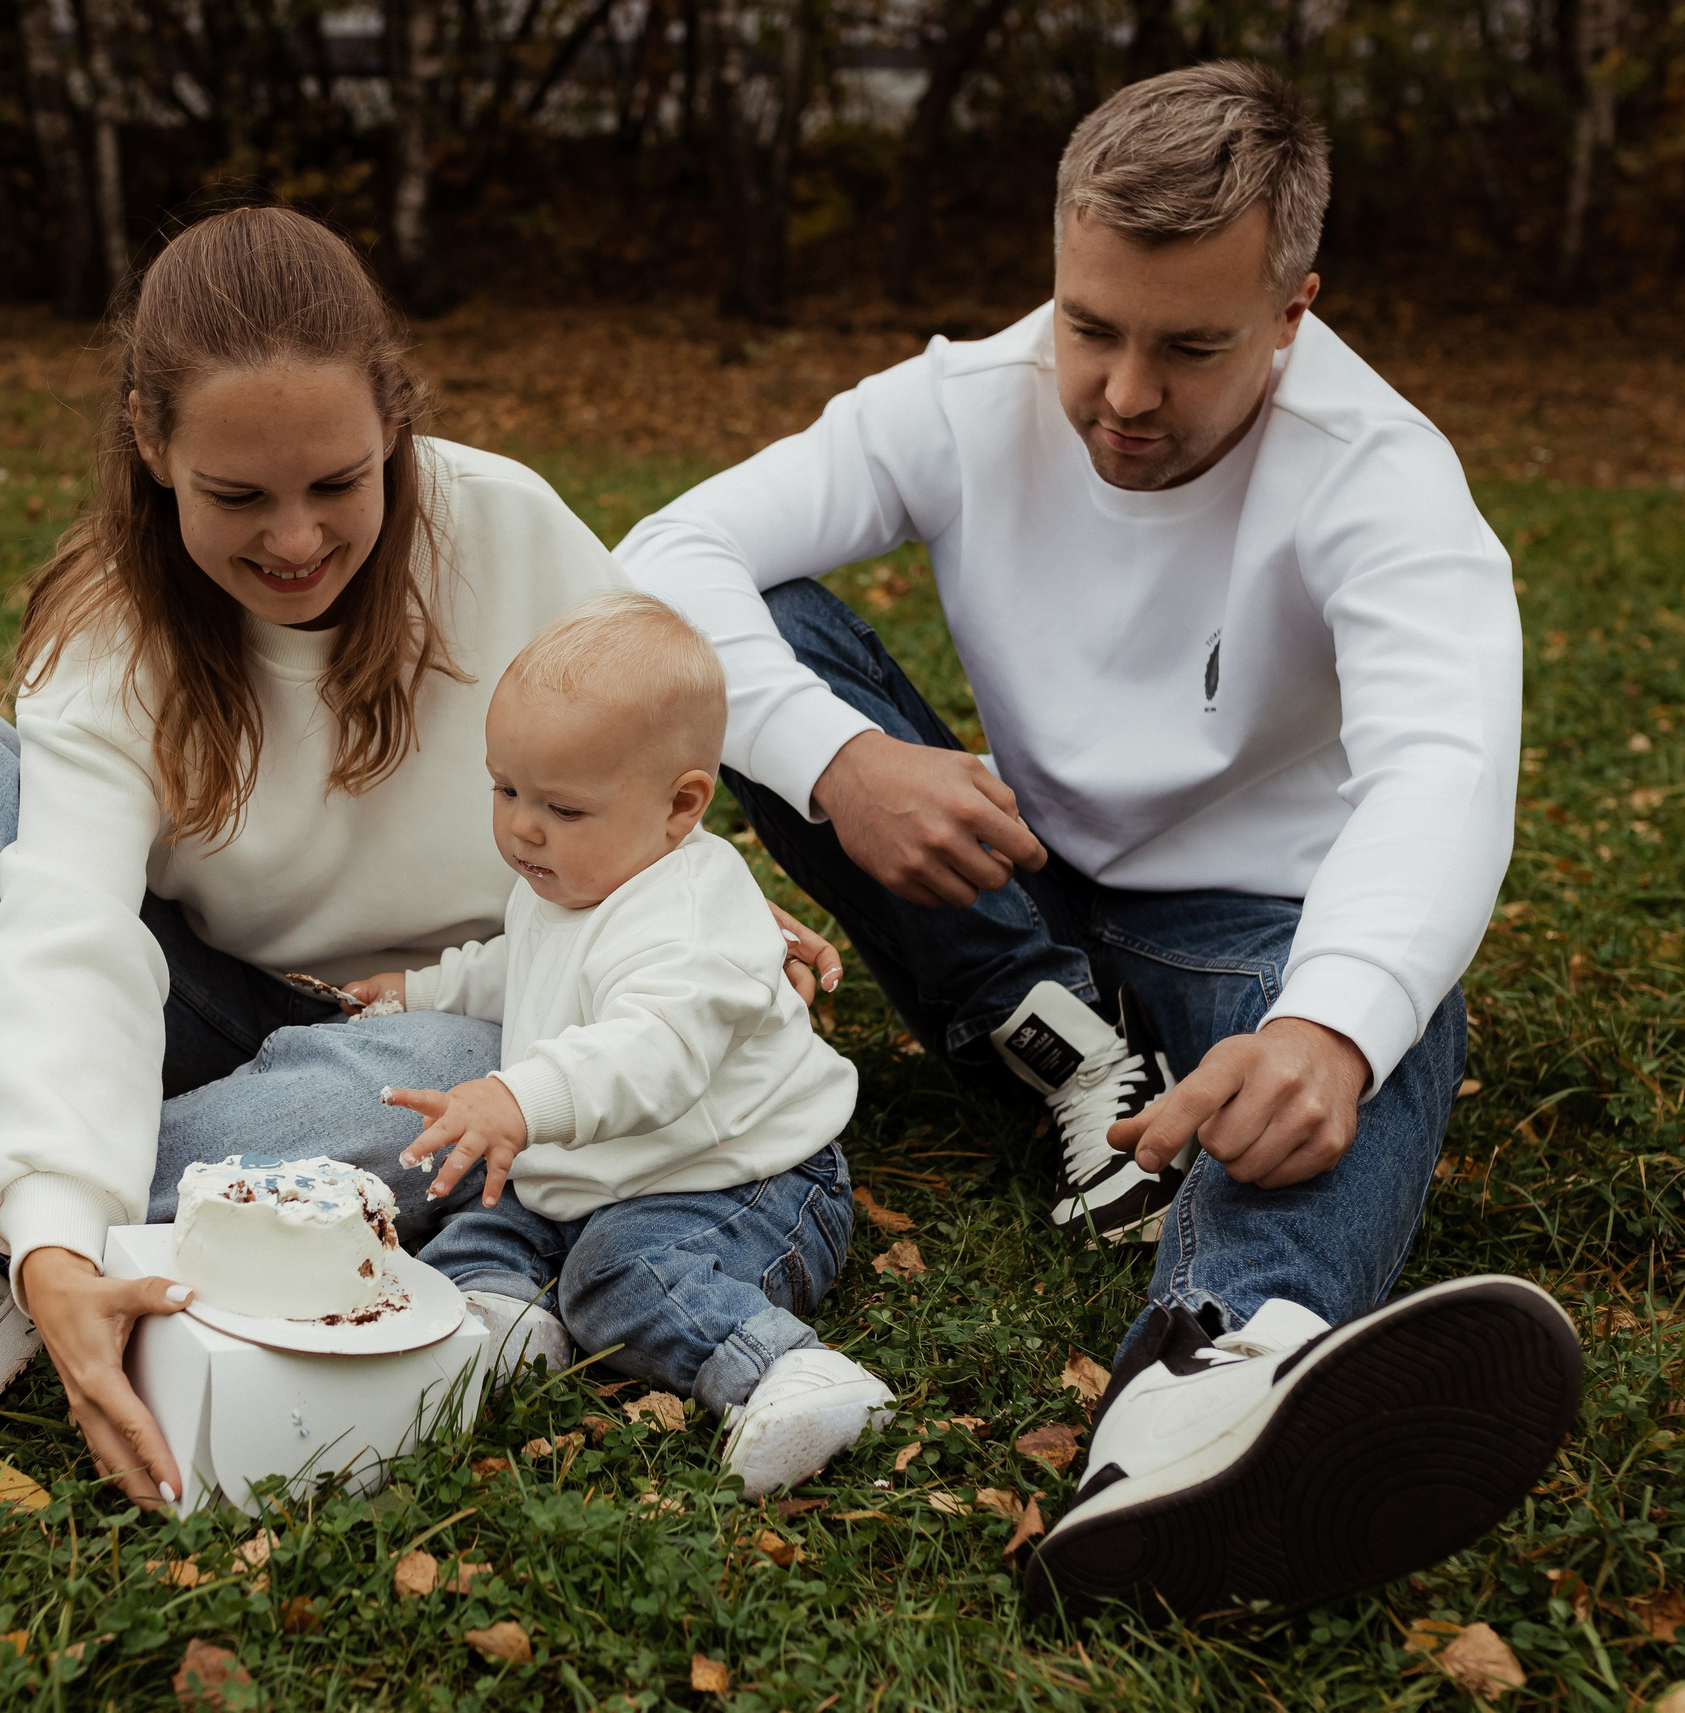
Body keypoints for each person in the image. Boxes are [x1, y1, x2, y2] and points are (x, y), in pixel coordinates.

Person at [0, 208, 842, 1503]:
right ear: (153, 446)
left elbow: (636, 746)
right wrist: (59, 1224)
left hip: (443, 1022)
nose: (294, 540)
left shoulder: (505, 528)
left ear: (394, 422)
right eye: (237, 496)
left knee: (455, 1075)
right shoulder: (108, 627)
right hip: (196, 989)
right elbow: (76, 944)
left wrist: (715, 922)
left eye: (337, 483)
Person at [617, 62, 1583, 1618]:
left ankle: (1208, 1383)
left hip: (1247, 927)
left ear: (1290, 312)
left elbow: (1442, 771)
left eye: (1192, 346)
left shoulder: (1381, 474)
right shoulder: (962, 397)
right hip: (1005, 881)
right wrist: (844, 760)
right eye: (1091, 326)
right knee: (767, 632)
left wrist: (1330, 1031)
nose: (1125, 393)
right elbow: (662, 559)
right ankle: (1061, 1047)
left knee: (1378, 1009)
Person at [344, 592, 893, 1496]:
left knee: (622, 1272)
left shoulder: (687, 917)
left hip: (738, 1176)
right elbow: (522, 964)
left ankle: (791, 1374)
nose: (523, 825)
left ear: (681, 807)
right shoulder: (570, 874)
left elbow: (654, 1049)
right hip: (599, 1169)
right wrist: (422, 989)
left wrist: (520, 1098)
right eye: (506, 788)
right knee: (477, 1225)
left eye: (560, 805)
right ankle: (503, 1327)